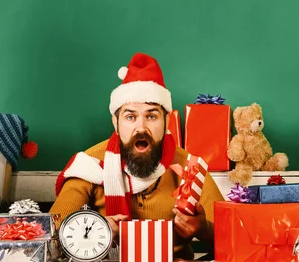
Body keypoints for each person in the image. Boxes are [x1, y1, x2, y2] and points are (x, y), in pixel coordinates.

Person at [50, 52, 224, 260]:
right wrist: (98, 232)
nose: (141, 128)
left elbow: (231, 234)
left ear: (166, 122)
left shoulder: (188, 167)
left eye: (151, 116)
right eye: (130, 116)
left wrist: (203, 228)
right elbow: (53, 234)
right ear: (115, 123)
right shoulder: (91, 165)